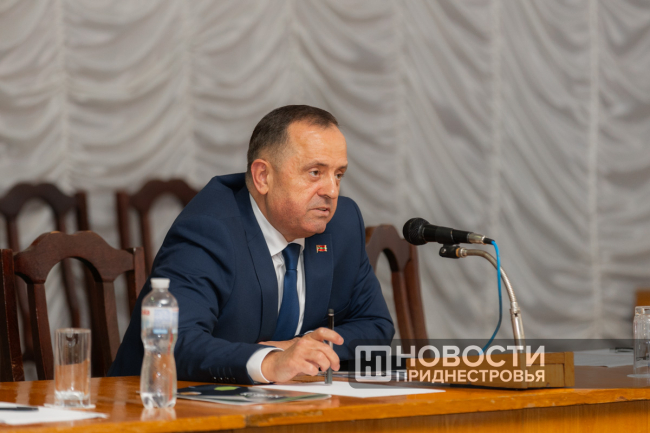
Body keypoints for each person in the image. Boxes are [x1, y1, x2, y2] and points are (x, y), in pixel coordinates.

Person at [109, 105, 394, 384]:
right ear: (263, 177)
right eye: (315, 173)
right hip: (155, 402)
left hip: (287, 402)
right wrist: (269, 362)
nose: (331, 191)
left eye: (338, 174)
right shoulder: (209, 228)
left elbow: (376, 324)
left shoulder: (342, 223)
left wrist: (303, 350)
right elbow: (172, 339)